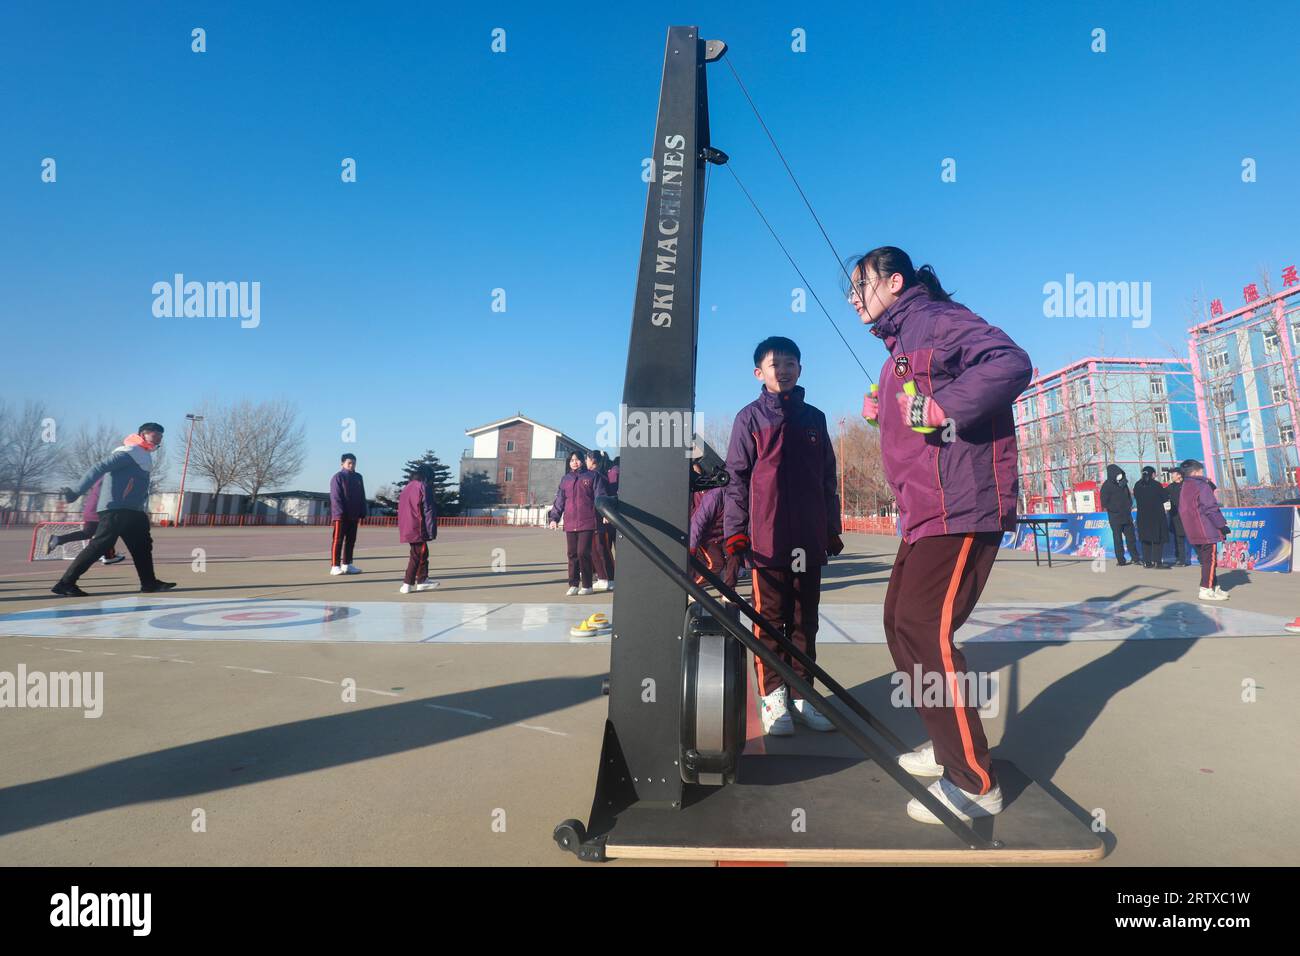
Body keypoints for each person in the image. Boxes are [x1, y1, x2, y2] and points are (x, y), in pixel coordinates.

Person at [850, 246, 1031, 825]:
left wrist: (939, 404)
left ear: (895, 282)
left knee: (925, 628)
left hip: (961, 505)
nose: (854, 298)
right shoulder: (898, 344)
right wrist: (889, 413)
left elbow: (1009, 361)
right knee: (901, 627)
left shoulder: (936, 318)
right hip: (925, 511)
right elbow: (918, 415)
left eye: (861, 286)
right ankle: (946, 743)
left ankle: (974, 782)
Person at [723, 335, 842, 738]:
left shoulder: (815, 419)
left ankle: (804, 694)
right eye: (775, 364)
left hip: (807, 538)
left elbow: (828, 477)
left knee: (805, 620)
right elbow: (736, 480)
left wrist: (831, 527)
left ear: (800, 369)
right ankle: (773, 697)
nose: (784, 369)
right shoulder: (749, 419)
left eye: (791, 362)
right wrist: (735, 534)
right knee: (770, 621)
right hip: (766, 541)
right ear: (759, 373)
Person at [51, 424, 175, 597]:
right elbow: (99, 467)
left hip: (134, 511)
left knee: (142, 547)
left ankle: (149, 583)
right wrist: (76, 491)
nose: (159, 438)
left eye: (161, 436)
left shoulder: (143, 455)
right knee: (99, 546)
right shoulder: (128, 452)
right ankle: (65, 583)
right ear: (142, 434)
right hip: (115, 510)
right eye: (156, 435)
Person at [548, 451, 607, 595]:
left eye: (578, 459)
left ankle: (587, 585)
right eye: (572, 460)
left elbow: (601, 497)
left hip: (588, 521)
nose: (575, 462)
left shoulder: (593, 476)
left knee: (583, 553)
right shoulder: (565, 479)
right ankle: (573, 584)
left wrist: (605, 514)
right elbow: (560, 501)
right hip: (570, 522)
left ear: (583, 461)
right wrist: (554, 518)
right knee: (572, 554)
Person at [1176, 459, 1230, 601]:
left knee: (1207, 560)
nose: (1203, 473)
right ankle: (1205, 589)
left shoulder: (1185, 486)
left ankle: (1214, 587)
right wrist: (1221, 525)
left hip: (1193, 529)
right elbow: (1211, 507)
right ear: (1194, 472)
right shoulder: (1201, 485)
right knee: (1209, 560)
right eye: (1201, 471)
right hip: (1205, 529)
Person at [46, 475, 124, 565]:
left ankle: (57, 539)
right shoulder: (110, 480)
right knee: (108, 533)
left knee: (88, 533)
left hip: (90, 510)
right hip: (99, 511)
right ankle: (108, 556)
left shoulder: (101, 479)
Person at [397, 464, 440, 594]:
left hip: (407, 525)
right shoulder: (423, 487)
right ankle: (408, 583)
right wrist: (431, 530)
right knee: (417, 554)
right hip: (418, 525)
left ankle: (422, 580)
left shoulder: (407, 487)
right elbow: (428, 509)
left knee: (421, 552)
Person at [329, 453, 367, 575]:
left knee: (351, 540)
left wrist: (362, 511)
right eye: (349, 463)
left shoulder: (358, 477)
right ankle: (335, 566)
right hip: (341, 515)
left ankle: (347, 564)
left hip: (354, 515)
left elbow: (362, 495)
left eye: (354, 463)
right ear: (342, 464)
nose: (352, 465)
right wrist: (339, 513)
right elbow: (335, 497)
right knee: (338, 540)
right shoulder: (338, 477)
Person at [584, 449, 615, 591]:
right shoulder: (590, 476)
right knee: (595, 549)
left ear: (593, 461)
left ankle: (610, 577)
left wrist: (605, 515)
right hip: (590, 517)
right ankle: (602, 577)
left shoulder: (599, 477)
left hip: (599, 517)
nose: (586, 461)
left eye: (587, 459)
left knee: (602, 548)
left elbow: (602, 497)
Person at [1100, 464, 1140, 567]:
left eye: (1120, 473)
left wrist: (1128, 505)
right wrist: (1115, 508)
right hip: (1115, 517)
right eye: (1117, 474)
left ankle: (1135, 558)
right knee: (1117, 539)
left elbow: (1128, 497)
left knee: (1131, 538)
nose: (1119, 475)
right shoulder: (1106, 486)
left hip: (1126, 515)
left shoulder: (1123, 483)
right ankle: (1121, 559)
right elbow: (1104, 502)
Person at [1133, 466, 1170, 569]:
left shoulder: (1137, 485)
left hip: (1142, 516)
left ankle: (1146, 562)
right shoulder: (1156, 485)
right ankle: (1157, 562)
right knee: (1158, 539)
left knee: (1146, 540)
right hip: (1156, 516)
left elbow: (1136, 497)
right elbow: (1164, 498)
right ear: (1152, 474)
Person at [1167, 469, 1190, 566]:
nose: (1172, 475)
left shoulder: (1187, 485)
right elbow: (1161, 494)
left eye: (1173, 474)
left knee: (1194, 537)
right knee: (1178, 538)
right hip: (1175, 516)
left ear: (1179, 475)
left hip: (1187, 516)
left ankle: (1202, 558)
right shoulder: (1171, 486)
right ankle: (1181, 559)